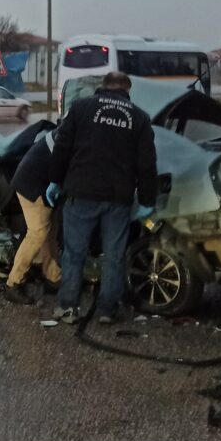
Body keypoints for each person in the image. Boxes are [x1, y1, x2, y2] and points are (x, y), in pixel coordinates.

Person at [47, 72, 157, 325]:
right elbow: (147, 164)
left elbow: (62, 147)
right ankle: (107, 310)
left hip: (81, 192)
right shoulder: (139, 117)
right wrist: (147, 200)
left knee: (74, 253)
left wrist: (54, 180)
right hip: (118, 198)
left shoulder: (80, 108)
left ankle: (68, 307)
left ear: (103, 86)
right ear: (127, 90)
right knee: (114, 255)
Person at [3, 130, 63, 305]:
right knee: (38, 233)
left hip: (36, 180)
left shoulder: (69, 129)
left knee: (50, 232)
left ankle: (52, 276)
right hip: (32, 185)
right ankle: (13, 283)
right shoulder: (72, 135)